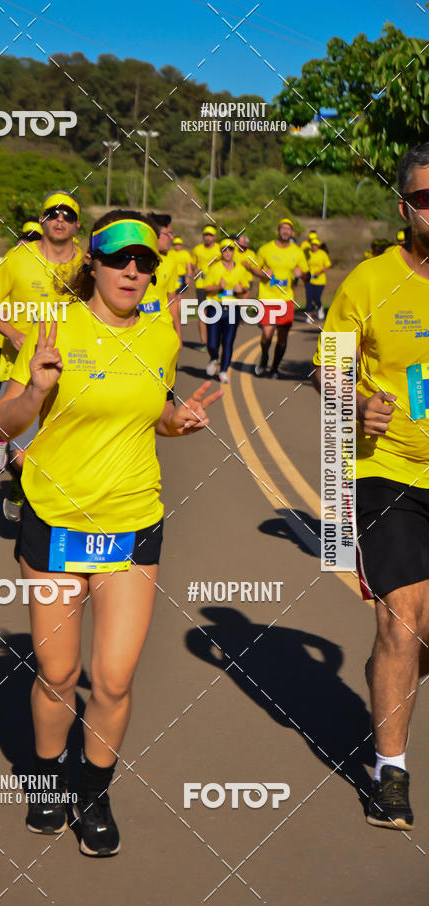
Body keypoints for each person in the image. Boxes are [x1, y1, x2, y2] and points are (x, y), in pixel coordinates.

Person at [0, 210, 223, 856]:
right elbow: (4, 424)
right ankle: (47, 779)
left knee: (114, 678)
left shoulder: (160, 336)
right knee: (58, 671)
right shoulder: (54, 327)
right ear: (91, 262)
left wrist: (178, 420)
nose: (132, 270)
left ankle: (93, 792)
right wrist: (35, 391)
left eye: (144, 261)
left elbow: (153, 413)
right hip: (56, 520)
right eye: (119, 257)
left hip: (131, 521)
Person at [313, 142, 429, 831]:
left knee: (414, 636)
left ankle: (393, 666)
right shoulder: (369, 281)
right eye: (426, 199)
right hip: (388, 471)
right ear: (404, 208)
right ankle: (390, 771)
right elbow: (327, 368)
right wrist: (355, 402)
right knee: (403, 616)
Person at [0, 190, 83, 519]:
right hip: (18, 367)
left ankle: (56, 514)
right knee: (21, 453)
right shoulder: (18, 258)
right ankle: (19, 485)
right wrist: (14, 334)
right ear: (42, 220)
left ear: (77, 225)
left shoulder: (86, 264)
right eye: (53, 213)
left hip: (70, 368)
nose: (60, 219)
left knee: (65, 448)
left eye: (68, 215)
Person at [0, 217, 44, 471]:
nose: (26, 244)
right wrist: (11, 332)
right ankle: (1, 441)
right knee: (2, 404)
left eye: (34, 240)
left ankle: (25, 452)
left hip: (39, 349)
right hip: (2, 348)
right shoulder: (12, 265)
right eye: (25, 238)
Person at [244, 218, 308, 378]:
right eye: (283, 228)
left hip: (286, 300)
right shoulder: (265, 249)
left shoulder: (298, 252)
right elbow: (254, 269)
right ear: (278, 231)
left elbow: (307, 277)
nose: (285, 231)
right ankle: (264, 358)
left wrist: (302, 274)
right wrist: (263, 274)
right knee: (267, 334)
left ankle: (274, 368)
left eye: (288, 229)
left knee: (282, 338)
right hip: (267, 298)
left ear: (292, 232)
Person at [202, 239, 248, 382]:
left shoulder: (240, 269)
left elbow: (245, 288)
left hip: (233, 309)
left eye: (230, 249)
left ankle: (223, 371)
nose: (227, 252)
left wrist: (241, 290)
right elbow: (206, 287)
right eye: (224, 249)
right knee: (212, 343)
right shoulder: (214, 268)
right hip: (215, 307)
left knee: (228, 342)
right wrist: (219, 287)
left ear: (234, 251)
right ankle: (214, 358)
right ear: (221, 251)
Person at [139, 212, 182, 343]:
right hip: (136, 329)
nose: (172, 237)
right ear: (155, 234)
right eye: (168, 233)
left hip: (163, 327)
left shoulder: (171, 261)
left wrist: (178, 334)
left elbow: (172, 300)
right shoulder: (134, 259)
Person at [192, 226, 221, 351]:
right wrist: (194, 270)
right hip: (201, 286)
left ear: (215, 237)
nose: (208, 237)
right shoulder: (197, 249)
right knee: (202, 313)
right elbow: (193, 265)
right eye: (206, 235)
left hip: (216, 286)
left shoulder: (220, 249)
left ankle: (216, 339)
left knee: (217, 313)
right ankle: (204, 343)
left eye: (210, 235)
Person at [304, 237, 331, 322]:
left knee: (316, 298)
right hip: (309, 280)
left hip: (320, 281)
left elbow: (328, 265)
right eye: (312, 245)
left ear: (318, 246)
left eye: (315, 245)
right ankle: (309, 316)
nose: (314, 246)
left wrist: (320, 271)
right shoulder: (308, 253)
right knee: (309, 298)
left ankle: (320, 307)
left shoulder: (323, 254)